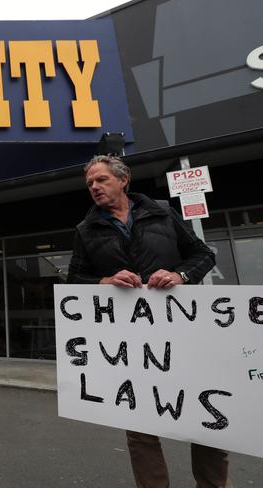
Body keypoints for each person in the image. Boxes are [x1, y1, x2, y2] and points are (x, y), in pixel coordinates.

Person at [67, 155, 230, 488]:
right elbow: (75, 280)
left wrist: (180, 274)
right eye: (90, 184)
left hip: (183, 331)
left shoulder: (162, 212)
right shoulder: (85, 230)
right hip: (131, 344)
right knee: (141, 429)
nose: (94, 187)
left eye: (101, 180)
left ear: (123, 179)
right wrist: (104, 282)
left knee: (206, 418)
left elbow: (203, 253)